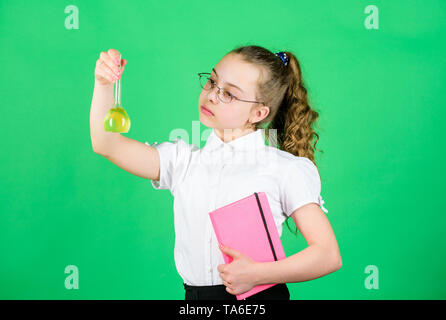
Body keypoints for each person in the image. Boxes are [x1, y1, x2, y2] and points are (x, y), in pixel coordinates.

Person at [90, 45, 342, 300]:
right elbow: (106, 143)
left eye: (230, 94)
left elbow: (327, 254)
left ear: (259, 113)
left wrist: (258, 274)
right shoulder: (181, 161)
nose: (211, 95)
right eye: (211, 82)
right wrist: (103, 84)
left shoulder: (283, 169)